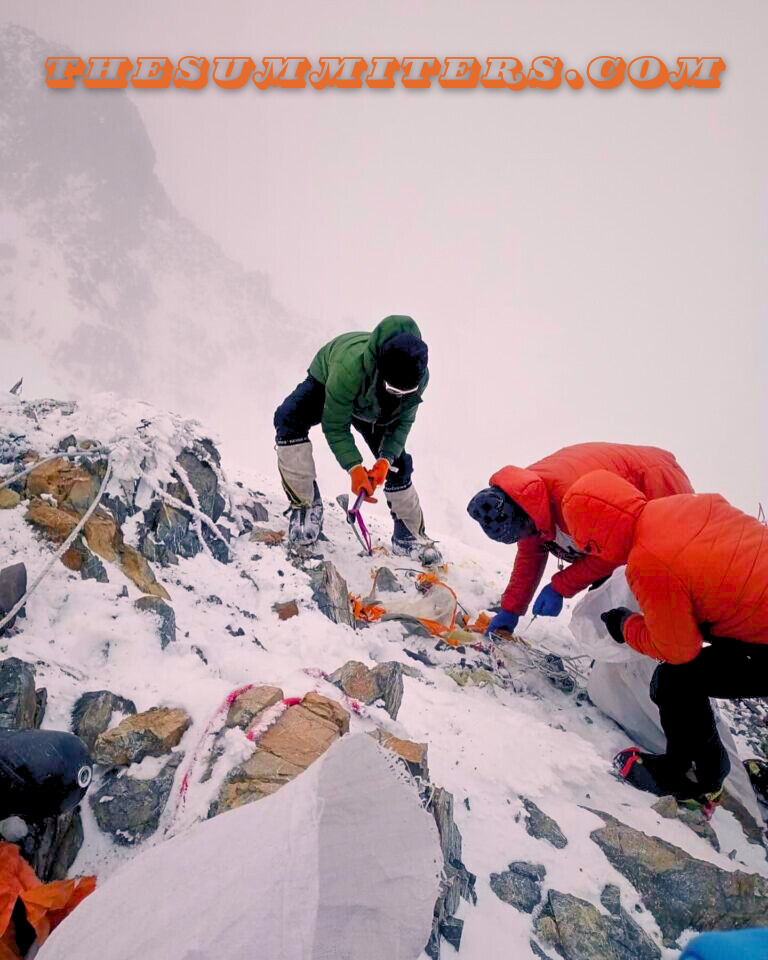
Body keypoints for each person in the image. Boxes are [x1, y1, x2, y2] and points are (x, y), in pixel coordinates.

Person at [561, 468, 768, 806]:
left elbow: (678, 650)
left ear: (595, 539)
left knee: (675, 681)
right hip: (757, 624)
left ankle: (694, 778)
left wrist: (625, 625)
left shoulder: (649, 558)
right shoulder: (686, 506)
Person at [466, 443, 692, 635]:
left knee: (639, 575)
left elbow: (613, 554)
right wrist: (511, 609)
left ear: (524, 516)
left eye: (523, 532)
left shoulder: (573, 503)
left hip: (658, 485)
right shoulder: (523, 500)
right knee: (609, 581)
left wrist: (559, 587)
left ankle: (638, 649)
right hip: (608, 499)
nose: (525, 538)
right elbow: (531, 553)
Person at [274, 315, 441, 564]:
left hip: (376, 408)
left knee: (399, 464)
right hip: (330, 380)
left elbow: (403, 422)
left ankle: (409, 536)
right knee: (288, 419)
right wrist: (354, 467)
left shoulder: (419, 375)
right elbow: (335, 426)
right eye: (395, 390)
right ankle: (305, 505)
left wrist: (385, 460)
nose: (400, 396)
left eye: (406, 393)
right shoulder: (348, 368)